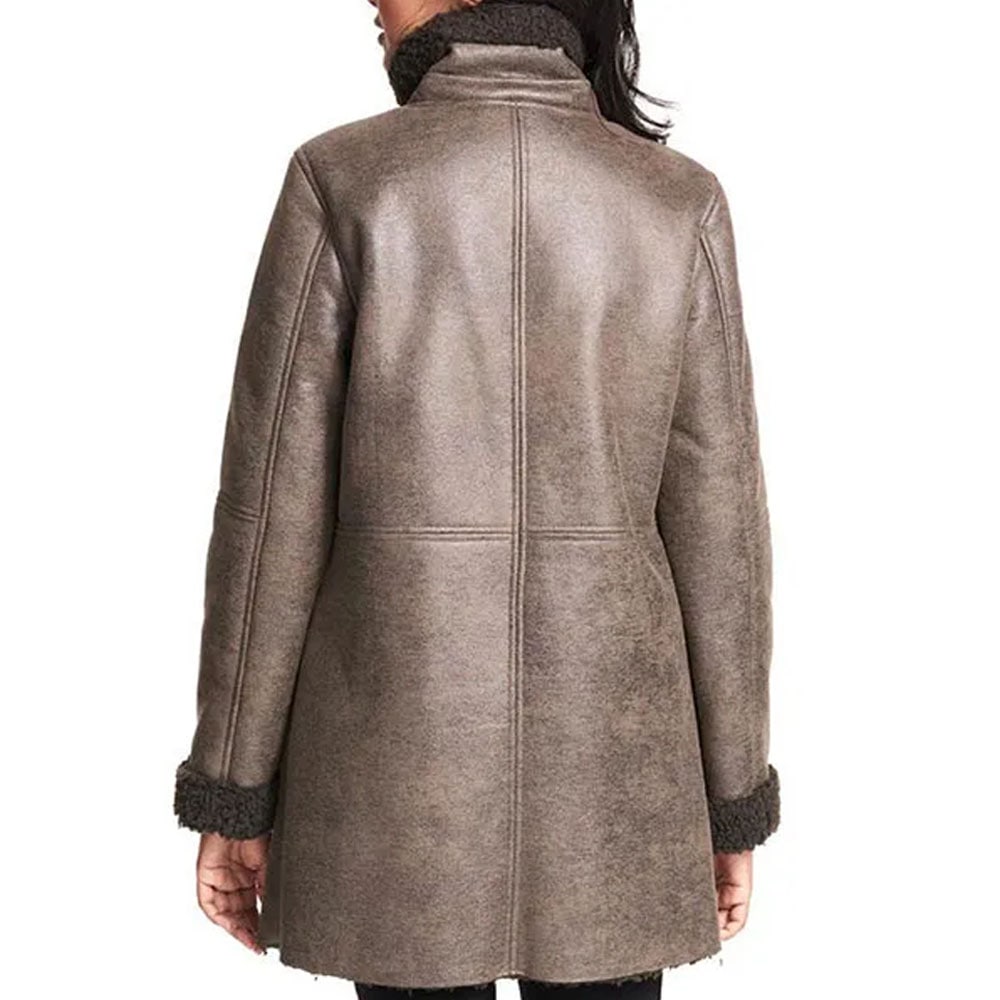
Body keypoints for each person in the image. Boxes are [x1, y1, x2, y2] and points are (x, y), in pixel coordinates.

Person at [172, 1, 781, 997]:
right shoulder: (676, 201)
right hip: (617, 792)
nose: (367, 4)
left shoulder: (343, 179)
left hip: (388, 792)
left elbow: (270, 517)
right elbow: (724, 538)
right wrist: (729, 800)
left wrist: (234, 792)